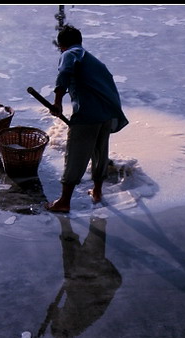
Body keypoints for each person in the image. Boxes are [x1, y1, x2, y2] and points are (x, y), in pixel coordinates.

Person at [46, 25, 129, 213]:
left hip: (87, 115)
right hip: (106, 114)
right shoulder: (95, 61)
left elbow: (64, 74)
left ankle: (64, 202)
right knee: (100, 154)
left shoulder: (69, 54)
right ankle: (98, 192)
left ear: (62, 45)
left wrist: (57, 102)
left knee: (75, 155)